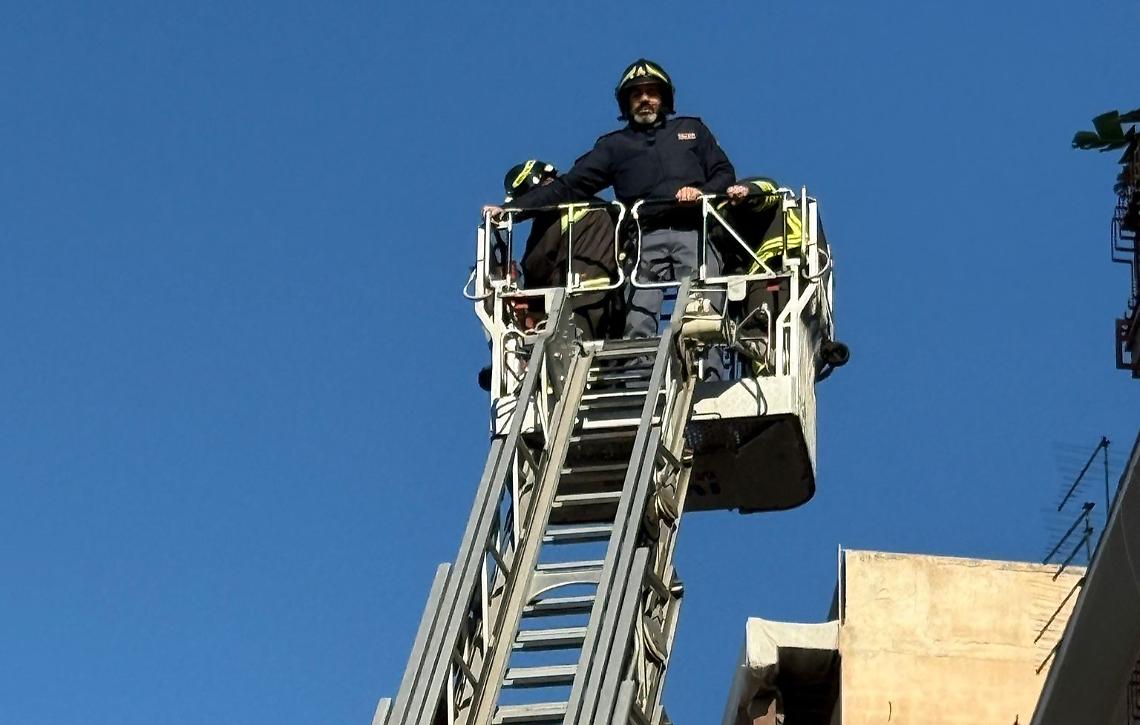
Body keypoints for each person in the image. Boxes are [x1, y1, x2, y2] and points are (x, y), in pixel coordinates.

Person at [484, 59, 747, 368]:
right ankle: (640, 374)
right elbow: (569, 187)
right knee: (639, 315)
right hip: (644, 239)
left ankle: (709, 375)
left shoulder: (691, 130)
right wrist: (512, 211)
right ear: (626, 102)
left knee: (703, 313)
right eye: (637, 94)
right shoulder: (614, 146)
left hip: (695, 232)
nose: (645, 99)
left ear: (664, 98)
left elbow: (723, 171)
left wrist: (701, 193)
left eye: (651, 92)